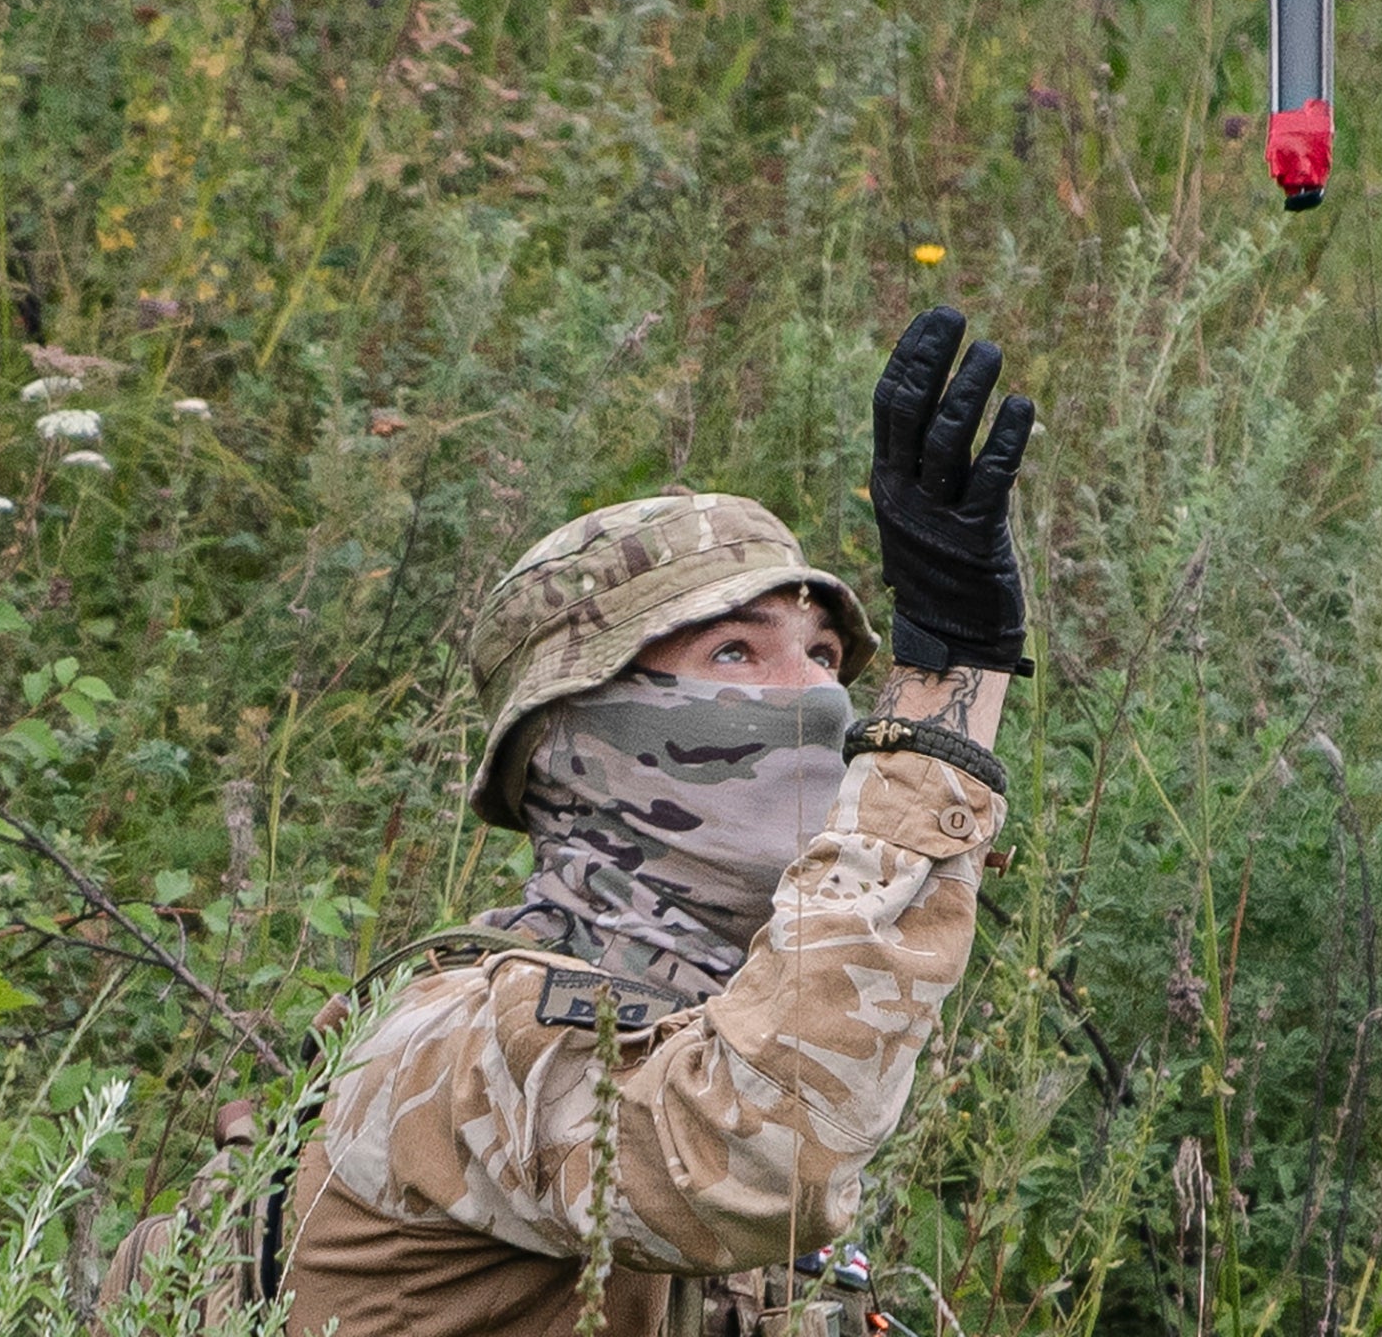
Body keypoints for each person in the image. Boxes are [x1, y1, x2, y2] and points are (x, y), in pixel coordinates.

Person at [102, 307, 1035, 1337]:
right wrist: (935, 727)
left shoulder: (716, 1022)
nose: (817, 700)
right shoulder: (461, 1042)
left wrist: (961, 667)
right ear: (570, 743)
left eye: (824, 656)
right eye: (735, 653)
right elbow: (759, 1158)